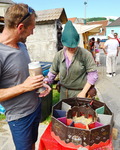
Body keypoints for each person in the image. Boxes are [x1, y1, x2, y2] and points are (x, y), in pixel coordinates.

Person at [0, 3, 51, 150]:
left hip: (35, 108)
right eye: (32, 29)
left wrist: (40, 84)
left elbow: (23, 75)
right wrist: (24, 87)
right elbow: (23, 85)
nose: (32, 33)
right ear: (20, 27)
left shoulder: (22, 45)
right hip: (20, 117)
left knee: (32, 144)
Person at [44, 21, 98, 100]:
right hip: (64, 93)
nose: (71, 48)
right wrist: (46, 81)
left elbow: (93, 75)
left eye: (74, 46)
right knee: (64, 111)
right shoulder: (59, 55)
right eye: (68, 46)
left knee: (81, 112)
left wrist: (83, 92)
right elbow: (53, 71)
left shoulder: (86, 54)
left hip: (81, 92)